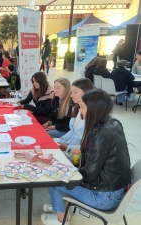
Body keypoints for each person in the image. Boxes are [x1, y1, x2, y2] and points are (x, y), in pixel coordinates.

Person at [41, 89, 131, 225]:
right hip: (115, 189)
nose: (80, 111)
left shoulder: (99, 134)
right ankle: (59, 207)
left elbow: (89, 174)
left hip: (104, 196)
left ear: (94, 109)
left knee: (54, 179)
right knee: (64, 170)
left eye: (82, 107)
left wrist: (67, 171)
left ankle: (60, 219)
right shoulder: (113, 123)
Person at [57, 78, 94, 158]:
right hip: (70, 148)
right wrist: (60, 140)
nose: (71, 95)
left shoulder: (90, 115)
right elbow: (73, 131)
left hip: (77, 155)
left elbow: (88, 148)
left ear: (86, 93)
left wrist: (67, 147)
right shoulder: (77, 108)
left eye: (75, 92)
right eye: (72, 92)